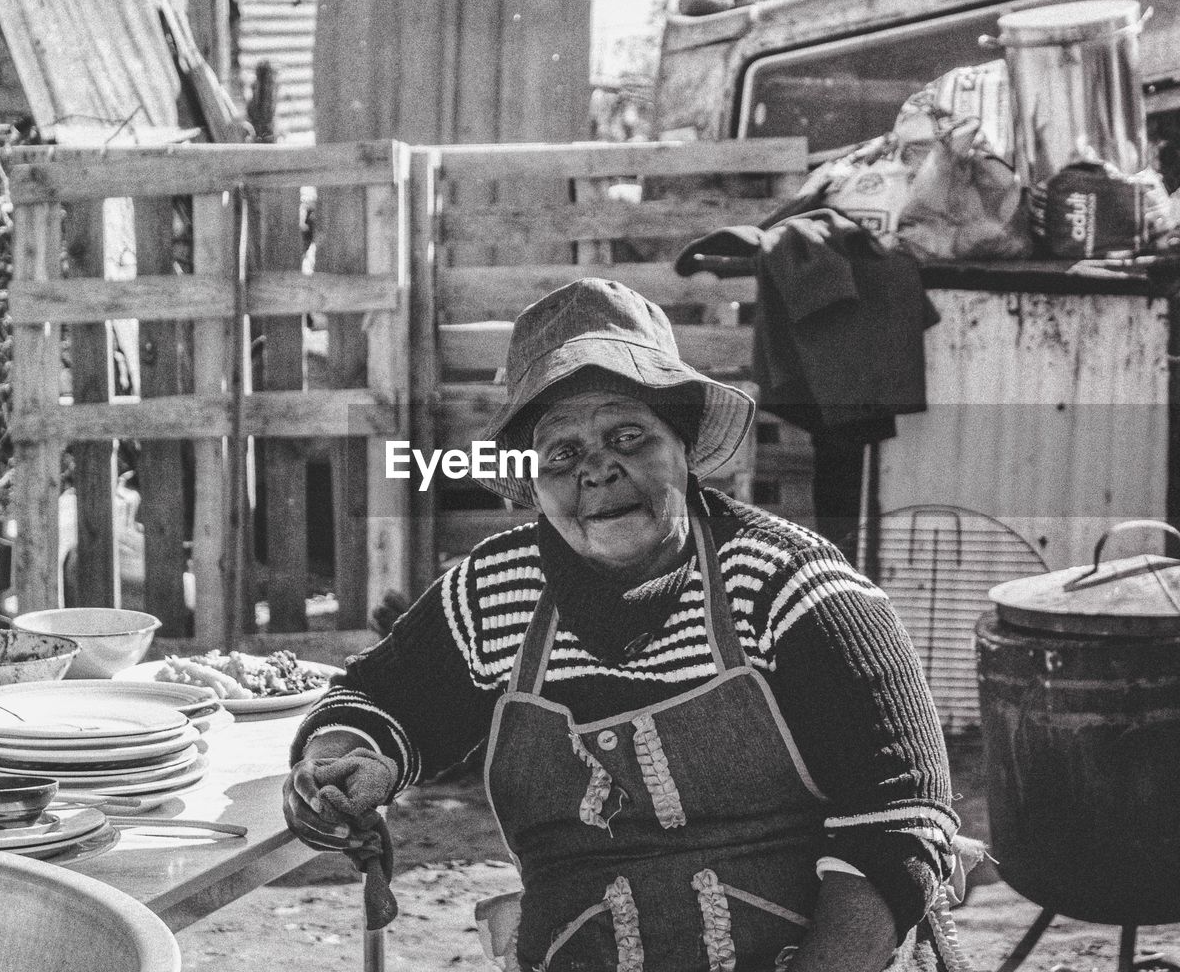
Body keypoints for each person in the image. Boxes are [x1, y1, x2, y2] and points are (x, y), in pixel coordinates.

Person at [283, 278, 964, 972]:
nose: (597, 471)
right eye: (563, 453)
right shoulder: (495, 591)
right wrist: (346, 761)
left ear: (684, 443)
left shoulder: (787, 586)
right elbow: (370, 701)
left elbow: (900, 819)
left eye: (627, 435)